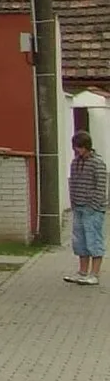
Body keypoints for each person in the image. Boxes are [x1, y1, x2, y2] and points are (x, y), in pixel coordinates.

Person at [66, 117, 107, 288]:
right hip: (79, 207)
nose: (77, 151)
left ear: (87, 146)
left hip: (93, 209)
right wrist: (74, 203)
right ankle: (82, 272)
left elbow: (101, 186)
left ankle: (94, 274)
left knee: (93, 240)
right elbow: (72, 182)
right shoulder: (75, 163)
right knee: (80, 241)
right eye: (75, 147)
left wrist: (93, 205)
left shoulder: (98, 163)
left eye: (80, 147)